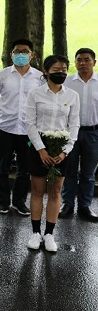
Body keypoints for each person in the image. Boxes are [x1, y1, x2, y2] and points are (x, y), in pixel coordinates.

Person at [25, 55, 80, 252]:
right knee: (37, 190)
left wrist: (65, 151)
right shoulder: (35, 94)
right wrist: (40, 149)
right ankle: (35, 233)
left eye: (64, 70)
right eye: (56, 70)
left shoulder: (72, 95)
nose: (61, 73)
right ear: (46, 71)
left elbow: (74, 124)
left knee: (56, 191)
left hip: (62, 146)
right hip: (39, 145)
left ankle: (49, 234)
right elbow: (29, 123)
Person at [0, 39, 44, 215]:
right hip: (6, 127)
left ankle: (19, 202)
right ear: (11, 54)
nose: (21, 54)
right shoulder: (2, 75)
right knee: (2, 166)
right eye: (17, 51)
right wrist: (7, 109)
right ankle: (3, 201)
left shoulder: (39, 78)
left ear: (32, 55)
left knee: (25, 168)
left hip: (28, 130)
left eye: (25, 51)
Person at [62, 48, 98, 221]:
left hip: (93, 133)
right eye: (79, 60)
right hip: (70, 132)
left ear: (94, 62)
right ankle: (67, 204)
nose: (83, 63)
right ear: (75, 63)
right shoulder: (67, 82)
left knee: (88, 172)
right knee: (69, 169)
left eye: (87, 59)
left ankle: (85, 206)